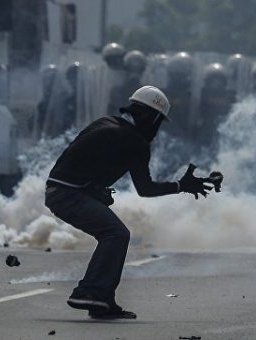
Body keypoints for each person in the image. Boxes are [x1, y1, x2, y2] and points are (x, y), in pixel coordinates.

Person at [44, 86, 214, 319]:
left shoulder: (105, 123)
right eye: (157, 122)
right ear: (149, 116)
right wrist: (180, 186)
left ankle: (101, 301)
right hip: (67, 194)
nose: (156, 129)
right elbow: (145, 189)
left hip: (60, 190)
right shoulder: (134, 141)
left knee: (114, 234)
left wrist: (94, 189)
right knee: (116, 234)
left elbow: (80, 163)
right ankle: (90, 292)